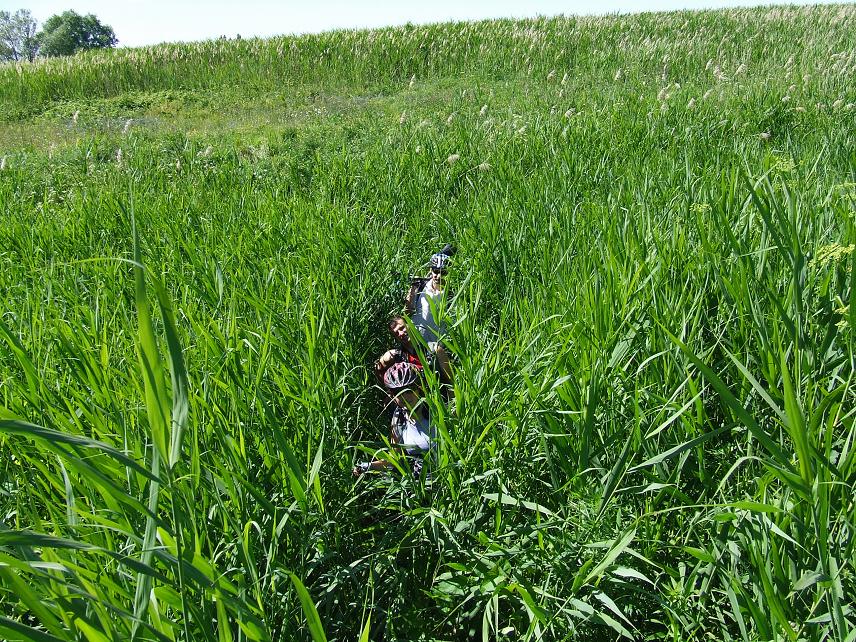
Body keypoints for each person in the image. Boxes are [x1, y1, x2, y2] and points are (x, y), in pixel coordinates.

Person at [353, 361, 436, 478]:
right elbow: (393, 460)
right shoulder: (399, 418)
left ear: (420, 388)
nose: (404, 396)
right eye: (398, 392)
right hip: (421, 483)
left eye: (408, 390)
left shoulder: (437, 411)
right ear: (392, 395)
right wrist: (365, 467)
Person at [374, 316, 452, 388]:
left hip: (438, 395)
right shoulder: (394, 356)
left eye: (402, 328)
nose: (401, 333)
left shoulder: (434, 349)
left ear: (410, 324)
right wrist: (390, 390)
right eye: (396, 333)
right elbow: (378, 368)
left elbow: (450, 381)